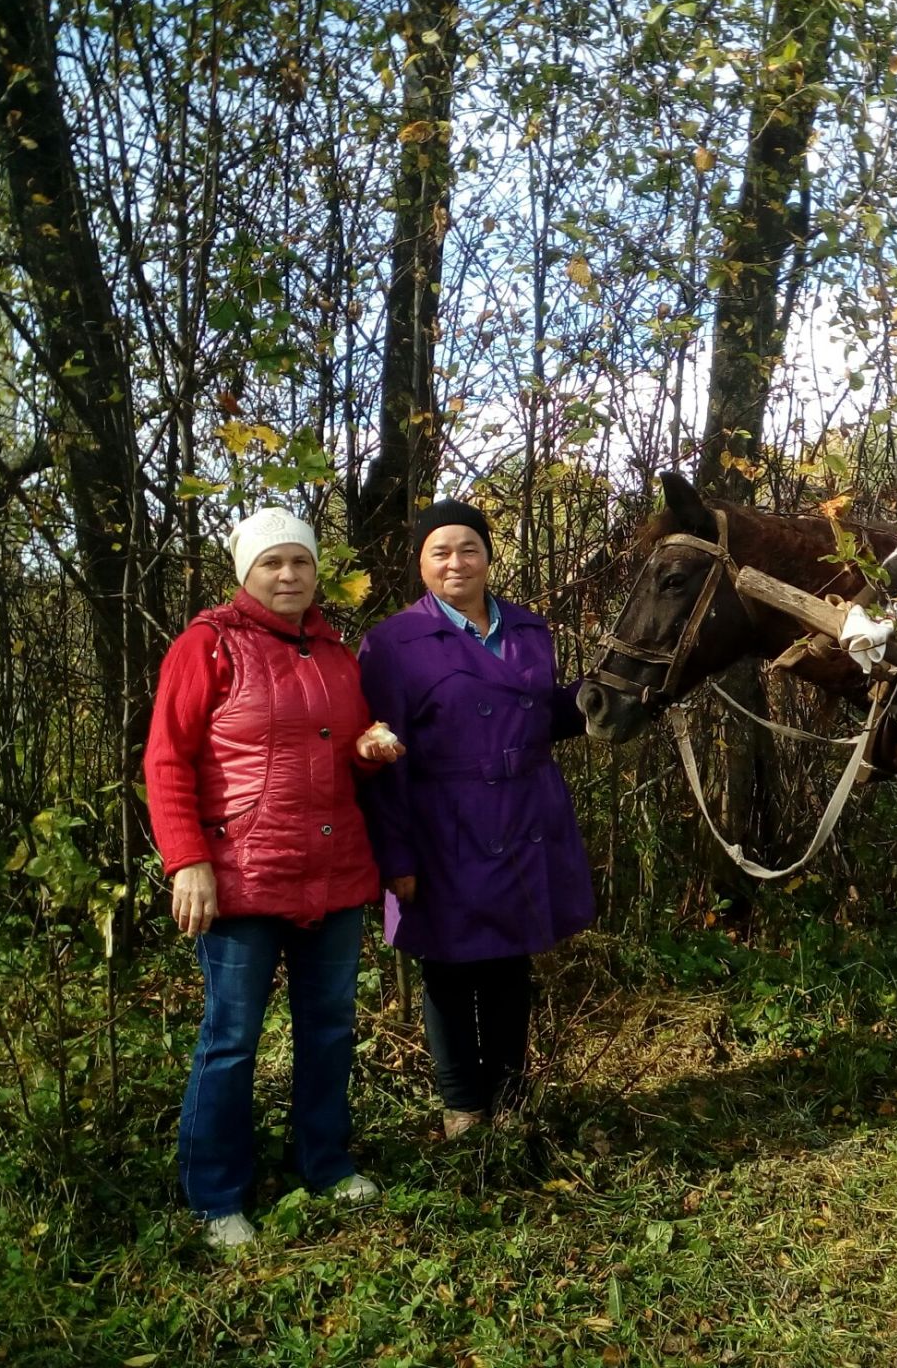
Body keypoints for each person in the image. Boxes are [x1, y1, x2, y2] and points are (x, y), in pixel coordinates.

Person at [143, 506, 405, 1248]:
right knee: (231, 1037)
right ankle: (217, 1197)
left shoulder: (335, 653)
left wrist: (369, 747)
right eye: (272, 564)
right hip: (242, 875)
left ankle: (324, 1163)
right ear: (245, 573)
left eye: (300, 562)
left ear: (317, 572)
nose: (288, 575)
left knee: (329, 1029)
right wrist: (187, 859)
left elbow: (338, 746)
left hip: (334, 870)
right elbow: (166, 759)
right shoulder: (208, 646)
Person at [357, 500, 592, 1140]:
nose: (456, 562)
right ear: (421, 564)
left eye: (469, 548)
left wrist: (602, 698)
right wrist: (396, 858)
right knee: (450, 965)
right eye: (441, 551)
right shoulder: (392, 642)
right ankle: (463, 1104)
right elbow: (380, 756)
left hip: (524, 814)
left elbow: (540, 716)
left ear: (489, 556)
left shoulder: (527, 629)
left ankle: (512, 1097)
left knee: (511, 962)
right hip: (443, 822)